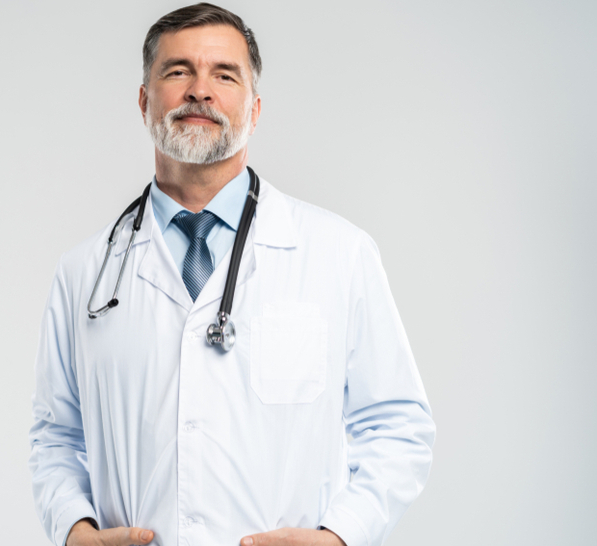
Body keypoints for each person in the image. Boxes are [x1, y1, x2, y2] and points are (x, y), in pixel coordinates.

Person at [28, 4, 435, 546]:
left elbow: (398, 426)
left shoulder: (339, 253)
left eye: (225, 74)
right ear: (145, 100)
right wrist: (74, 530)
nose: (201, 90)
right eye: (178, 71)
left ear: (255, 107)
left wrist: (342, 535)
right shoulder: (86, 271)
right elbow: (56, 436)